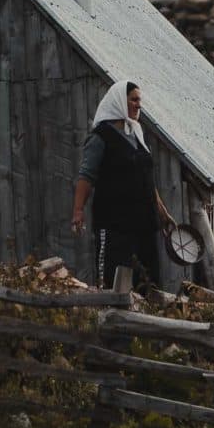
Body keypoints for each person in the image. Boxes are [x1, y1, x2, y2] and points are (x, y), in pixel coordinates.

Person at [70, 81, 176, 291]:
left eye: (140, 100)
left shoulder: (136, 134)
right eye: (134, 100)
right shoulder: (101, 136)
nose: (139, 105)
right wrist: (78, 210)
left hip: (144, 223)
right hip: (115, 224)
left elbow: (146, 180)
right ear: (119, 101)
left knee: (148, 282)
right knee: (115, 280)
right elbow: (86, 175)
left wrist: (162, 213)